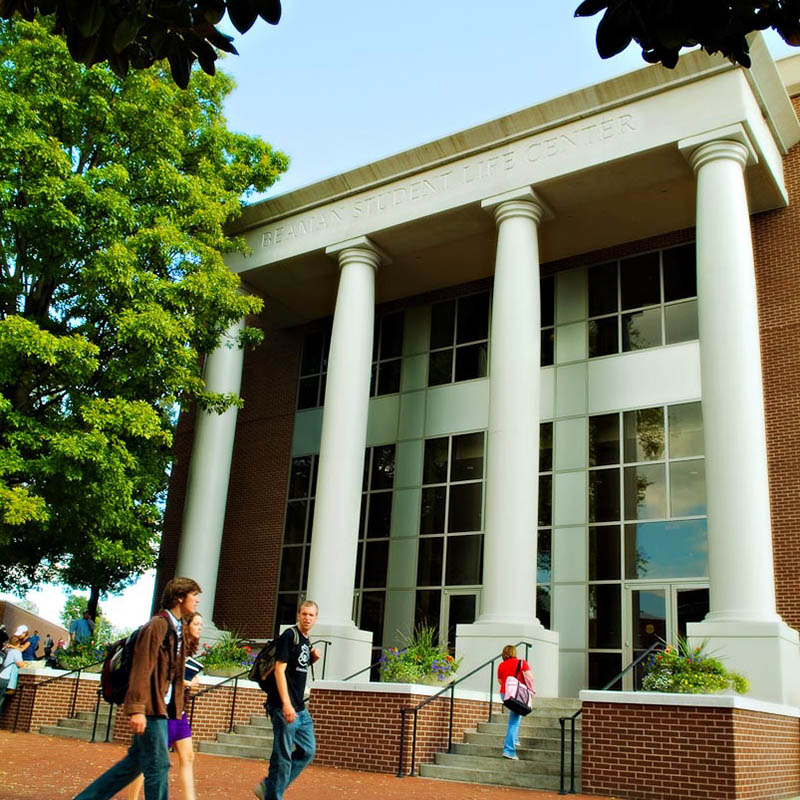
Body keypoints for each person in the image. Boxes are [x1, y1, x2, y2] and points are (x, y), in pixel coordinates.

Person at [72, 577, 201, 800]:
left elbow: (173, 674)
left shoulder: (177, 628)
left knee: (133, 765)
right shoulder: (157, 626)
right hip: (151, 707)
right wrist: (138, 709)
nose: (197, 601)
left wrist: (177, 707)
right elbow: (142, 669)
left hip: (163, 707)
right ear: (180, 597)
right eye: (194, 595)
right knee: (159, 765)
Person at [127, 611, 204, 800]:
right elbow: (163, 677)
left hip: (179, 712)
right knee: (151, 761)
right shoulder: (172, 645)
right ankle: (133, 798)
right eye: (196, 624)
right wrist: (187, 683)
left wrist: (191, 680)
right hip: (164, 712)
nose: (200, 628)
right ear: (186, 626)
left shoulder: (187, 649)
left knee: (188, 757)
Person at [253, 600, 321, 800]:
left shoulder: (306, 640)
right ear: (298, 615)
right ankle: (273, 795)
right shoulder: (289, 635)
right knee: (282, 758)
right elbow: (280, 670)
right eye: (304, 614)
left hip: (300, 708)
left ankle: (269, 787)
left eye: (311, 615)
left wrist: (313, 658)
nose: (307, 618)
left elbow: (297, 667)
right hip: (285, 707)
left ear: (316, 618)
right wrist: (286, 704)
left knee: (308, 751)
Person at [497, 644, 533, 761]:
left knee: (516, 715)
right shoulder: (522, 662)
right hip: (517, 694)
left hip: (505, 694)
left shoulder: (501, 665)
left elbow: (500, 681)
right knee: (514, 721)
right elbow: (530, 677)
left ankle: (515, 739)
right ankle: (509, 750)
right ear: (514, 652)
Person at [0, 635, 32, 712]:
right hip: (5, 678)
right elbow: (20, 665)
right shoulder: (16, 652)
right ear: (18, 643)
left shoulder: (7, 651)